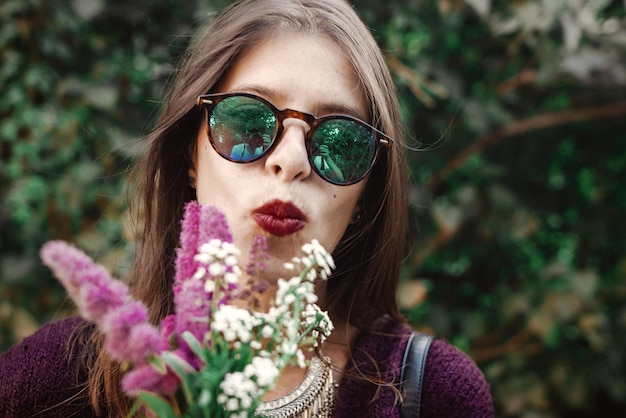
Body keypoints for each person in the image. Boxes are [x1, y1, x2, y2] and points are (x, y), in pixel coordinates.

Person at [0, 0, 494, 417]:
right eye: (248, 122)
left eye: (340, 142)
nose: (290, 161)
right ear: (189, 155)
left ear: (368, 191)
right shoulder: (60, 380)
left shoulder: (432, 395)